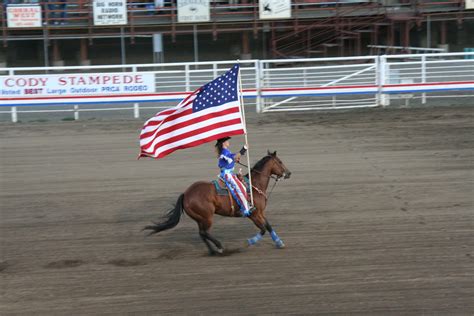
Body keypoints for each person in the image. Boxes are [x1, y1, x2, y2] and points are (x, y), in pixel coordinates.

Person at [215, 137, 255, 217]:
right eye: (227, 141)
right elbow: (234, 156)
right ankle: (245, 209)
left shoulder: (225, 151)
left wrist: (235, 160)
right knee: (240, 188)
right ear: (223, 143)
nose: (228, 142)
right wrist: (244, 148)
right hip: (227, 175)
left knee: (242, 186)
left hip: (229, 173)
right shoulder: (224, 152)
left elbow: (233, 158)